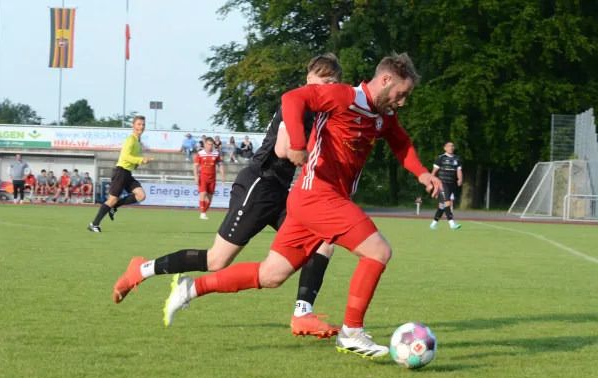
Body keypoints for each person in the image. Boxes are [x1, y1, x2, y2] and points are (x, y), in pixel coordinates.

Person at [161, 53, 442, 359]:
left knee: (271, 275)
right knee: (378, 251)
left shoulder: (384, 116)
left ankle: (191, 289)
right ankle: (352, 333)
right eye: (401, 94)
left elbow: (401, 143)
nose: (402, 102)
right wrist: (297, 142)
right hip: (318, 195)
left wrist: (422, 172)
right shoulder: (344, 95)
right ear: (386, 80)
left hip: (310, 201)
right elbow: (293, 98)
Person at [112, 54, 345, 339]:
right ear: (310, 80)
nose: (330, 88)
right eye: (325, 81)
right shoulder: (296, 104)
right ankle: (142, 269)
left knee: (321, 243)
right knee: (216, 260)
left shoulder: (321, 112)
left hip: (281, 193)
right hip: (258, 187)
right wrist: (313, 155)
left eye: (335, 83)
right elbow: (284, 150)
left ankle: (302, 314)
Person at [88, 116, 152, 232]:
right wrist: (141, 160)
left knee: (141, 195)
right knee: (112, 200)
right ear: (133, 126)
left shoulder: (138, 141)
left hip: (127, 173)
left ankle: (114, 207)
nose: (141, 127)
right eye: (138, 124)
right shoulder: (131, 139)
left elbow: (133, 158)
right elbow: (125, 156)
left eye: (143, 124)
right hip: (120, 172)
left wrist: (137, 163)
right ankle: (94, 224)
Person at [430, 141, 462, 230]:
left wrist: (460, 179)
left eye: (452, 146)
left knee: (442, 206)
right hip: (442, 183)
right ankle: (452, 224)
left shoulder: (457, 159)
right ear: (445, 148)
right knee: (448, 202)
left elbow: (459, 170)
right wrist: (432, 183)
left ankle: (433, 224)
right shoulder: (441, 158)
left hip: (451, 183)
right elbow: (434, 171)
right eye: (449, 146)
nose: (451, 147)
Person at [194, 137, 225, 220]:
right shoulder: (200, 153)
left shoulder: (216, 153)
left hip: (212, 178)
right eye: (208, 144)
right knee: (203, 194)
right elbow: (196, 166)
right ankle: (202, 213)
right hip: (203, 177)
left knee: (209, 199)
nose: (210, 146)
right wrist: (196, 177)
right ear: (205, 144)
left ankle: (203, 212)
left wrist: (222, 176)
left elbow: (220, 165)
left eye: (211, 145)